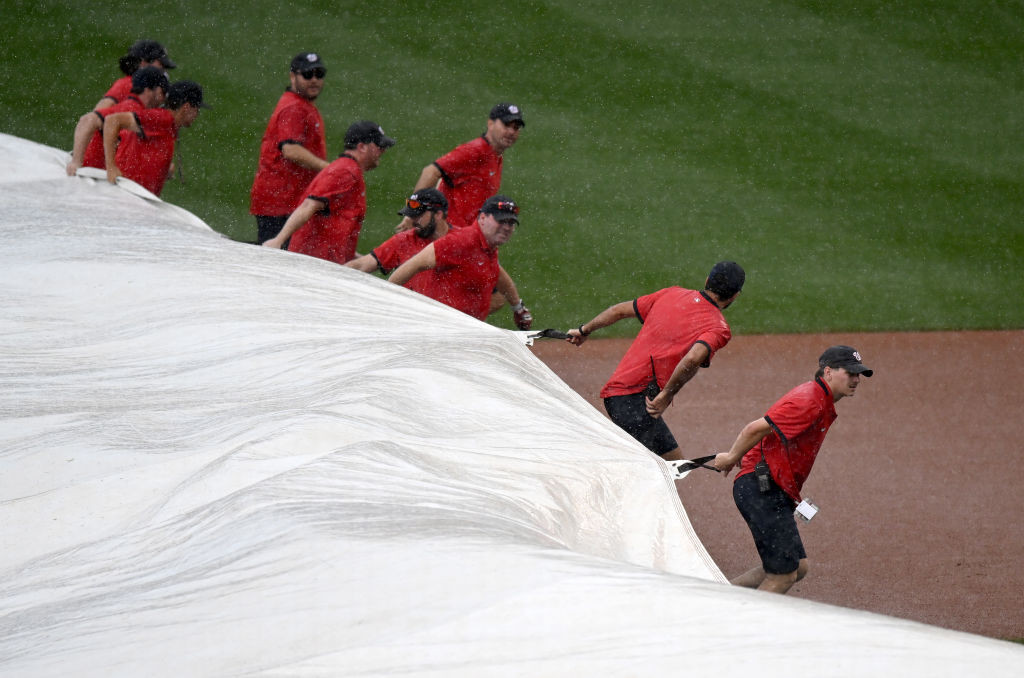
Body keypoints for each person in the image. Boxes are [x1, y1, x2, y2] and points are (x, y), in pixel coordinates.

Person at [712, 346, 873, 594]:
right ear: (828, 372)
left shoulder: (819, 398)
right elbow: (755, 428)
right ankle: (742, 626)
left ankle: (717, 594)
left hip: (771, 488)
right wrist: (733, 455)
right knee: (783, 575)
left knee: (798, 566)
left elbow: (770, 434)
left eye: (858, 374)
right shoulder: (809, 401)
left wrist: (743, 455)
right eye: (850, 373)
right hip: (760, 488)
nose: (856, 379)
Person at [565, 261, 746, 461]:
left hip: (626, 398)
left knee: (674, 464)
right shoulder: (719, 327)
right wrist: (667, 394)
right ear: (735, 295)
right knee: (650, 471)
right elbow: (693, 357)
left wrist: (584, 330)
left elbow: (618, 311)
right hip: (633, 401)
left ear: (707, 280)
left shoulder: (672, 293)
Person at [388, 195, 532, 329]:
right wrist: (385, 297)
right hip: (442, 332)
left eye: (511, 222)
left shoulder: (488, 247)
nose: (507, 227)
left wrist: (518, 307)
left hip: (462, 333)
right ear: (482, 218)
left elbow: (498, 274)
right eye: (501, 221)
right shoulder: (461, 242)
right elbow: (415, 264)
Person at [262, 120, 394, 264]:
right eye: (379, 146)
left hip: (323, 264)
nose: (383, 151)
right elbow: (309, 205)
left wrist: (367, 262)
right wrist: (278, 241)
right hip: (313, 266)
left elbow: (335, 232)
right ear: (361, 147)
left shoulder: (351, 171)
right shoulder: (344, 171)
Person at [397, 102, 524, 232]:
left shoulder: (496, 156)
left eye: (516, 127)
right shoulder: (475, 151)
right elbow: (431, 171)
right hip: (447, 237)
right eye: (506, 125)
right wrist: (413, 214)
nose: (511, 132)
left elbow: (445, 179)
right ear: (490, 124)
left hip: (463, 238)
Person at [249, 52, 330, 245]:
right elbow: (290, 149)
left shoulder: (302, 104)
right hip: (281, 204)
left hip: (286, 201)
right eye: (308, 74)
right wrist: (328, 169)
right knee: (278, 263)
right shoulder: (294, 108)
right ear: (293, 76)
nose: (314, 80)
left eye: (319, 74)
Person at [102, 80, 209, 196]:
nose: (197, 115)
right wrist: (111, 167)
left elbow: (146, 148)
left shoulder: (170, 125)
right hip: (127, 194)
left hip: (135, 195)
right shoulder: (161, 118)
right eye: (196, 110)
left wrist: (163, 170)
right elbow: (112, 121)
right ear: (187, 107)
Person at [66, 67, 169, 176]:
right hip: (93, 178)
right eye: (163, 93)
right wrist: (76, 162)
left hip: (100, 179)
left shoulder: (133, 108)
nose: (163, 100)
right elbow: (87, 120)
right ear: (150, 91)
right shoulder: (131, 109)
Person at [346, 188, 452, 294]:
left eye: (419, 215)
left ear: (438, 214)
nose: (413, 221)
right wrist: (333, 277)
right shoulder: (404, 241)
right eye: (412, 215)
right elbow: (361, 265)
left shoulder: (460, 242)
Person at [95, 40, 176, 110]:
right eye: (161, 65)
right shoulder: (127, 84)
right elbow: (97, 115)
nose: (165, 71)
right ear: (144, 63)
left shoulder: (149, 88)